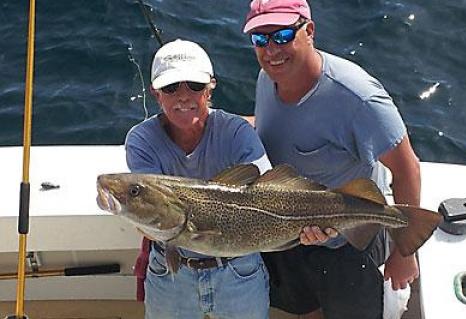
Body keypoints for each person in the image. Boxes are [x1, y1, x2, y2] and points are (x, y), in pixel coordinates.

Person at [242, 1, 421, 319]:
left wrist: (405, 253)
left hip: (349, 243)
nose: (271, 50)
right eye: (260, 39)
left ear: (309, 31)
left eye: (282, 35)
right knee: (302, 306)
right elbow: (277, 127)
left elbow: (407, 168)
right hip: (286, 230)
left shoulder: (358, 98)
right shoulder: (267, 78)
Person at [125, 39, 271, 319]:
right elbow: (155, 209)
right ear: (156, 94)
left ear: (210, 88)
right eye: (170, 87)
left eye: (194, 85)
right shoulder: (141, 140)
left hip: (238, 271)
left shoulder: (237, 132)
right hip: (170, 273)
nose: (183, 96)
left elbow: (268, 194)